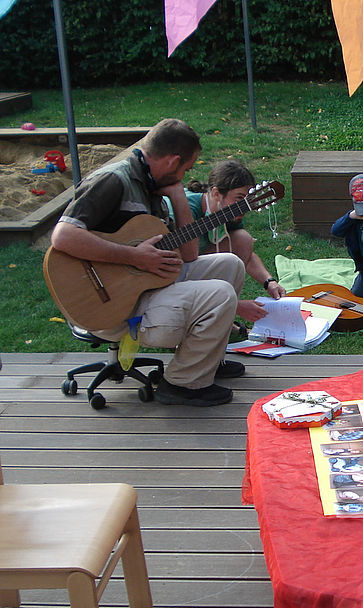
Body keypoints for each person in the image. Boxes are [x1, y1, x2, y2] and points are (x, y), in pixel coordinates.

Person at [50, 118, 245, 406]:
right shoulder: (113, 180)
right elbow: (62, 236)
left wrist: (178, 198)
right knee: (219, 295)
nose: (187, 174)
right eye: (186, 169)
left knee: (229, 264)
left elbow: (190, 256)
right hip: (108, 304)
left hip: (142, 288)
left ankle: (206, 361)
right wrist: (133, 256)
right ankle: (182, 384)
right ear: (173, 161)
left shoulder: (153, 185)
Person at [182, 160, 286, 324]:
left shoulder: (228, 213)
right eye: (239, 199)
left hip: (195, 267)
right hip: (174, 273)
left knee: (243, 239)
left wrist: (269, 282)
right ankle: (203, 317)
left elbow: (246, 253)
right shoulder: (188, 207)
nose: (244, 207)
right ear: (216, 194)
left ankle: (220, 318)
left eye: (247, 201)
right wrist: (236, 306)